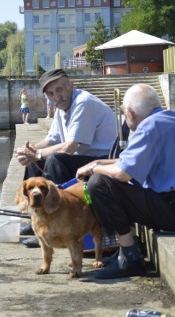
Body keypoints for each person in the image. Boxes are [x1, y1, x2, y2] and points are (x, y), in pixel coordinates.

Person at [76, 84, 175, 279]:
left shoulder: (149, 126)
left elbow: (123, 174)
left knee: (99, 184)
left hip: (171, 210)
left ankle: (130, 256)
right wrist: (100, 161)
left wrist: (93, 169)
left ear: (130, 112)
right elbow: (134, 160)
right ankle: (126, 251)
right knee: (107, 177)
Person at [15, 68, 117, 247]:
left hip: (103, 161)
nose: (56, 97)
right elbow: (51, 139)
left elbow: (70, 147)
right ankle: (37, 219)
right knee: (34, 161)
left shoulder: (83, 103)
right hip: (83, 159)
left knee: (55, 159)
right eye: (51, 93)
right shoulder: (62, 108)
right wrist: (28, 150)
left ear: (71, 85)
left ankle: (53, 223)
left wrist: (36, 154)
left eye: (59, 90)